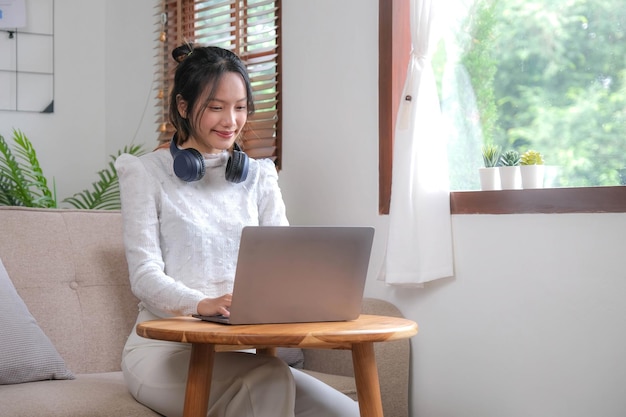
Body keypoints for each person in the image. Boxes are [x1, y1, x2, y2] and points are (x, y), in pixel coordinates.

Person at [115, 44, 360, 417]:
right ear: (183, 107)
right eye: (216, 107)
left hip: (244, 354)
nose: (231, 120)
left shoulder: (260, 176)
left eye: (240, 107)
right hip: (166, 353)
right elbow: (144, 275)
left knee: (346, 412)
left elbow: (285, 262)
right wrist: (200, 304)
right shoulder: (144, 173)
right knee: (269, 379)